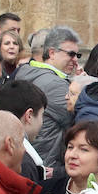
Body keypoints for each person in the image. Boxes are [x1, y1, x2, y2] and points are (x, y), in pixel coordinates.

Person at [16, 25, 80, 168]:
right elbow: (78, 120)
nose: (75, 60)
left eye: (78, 55)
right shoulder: (55, 84)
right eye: (71, 54)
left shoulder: (29, 71)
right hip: (47, 163)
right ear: (51, 53)